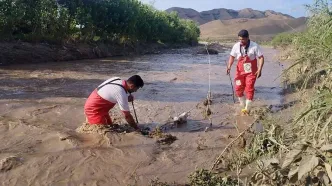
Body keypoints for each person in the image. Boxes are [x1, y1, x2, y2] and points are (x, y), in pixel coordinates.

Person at [226, 29, 264, 115]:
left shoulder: (255, 46)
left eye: (243, 39)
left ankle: (247, 108)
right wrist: (229, 66)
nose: (241, 41)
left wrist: (260, 69)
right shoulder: (236, 46)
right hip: (240, 72)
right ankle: (242, 104)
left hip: (251, 72)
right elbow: (232, 56)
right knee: (238, 88)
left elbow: (261, 57)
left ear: (247, 38)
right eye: (239, 39)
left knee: (249, 88)